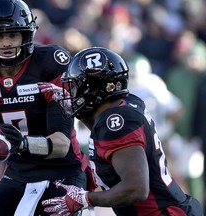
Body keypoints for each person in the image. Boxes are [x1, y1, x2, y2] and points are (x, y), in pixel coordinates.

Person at [0, 0, 91, 215]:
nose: (6, 43)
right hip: (18, 172)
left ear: (26, 35)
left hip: (63, 171)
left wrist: (23, 144)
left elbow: (61, 144)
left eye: (13, 35)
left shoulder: (49, 64)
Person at [41, 47, 203, 215]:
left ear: (95, 89)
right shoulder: (124, 104)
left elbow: (136, 189)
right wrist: (76, 104)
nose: (70, 94)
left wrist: (85, 198)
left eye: (74, 87)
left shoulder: (116, 123)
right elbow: (102, 136)